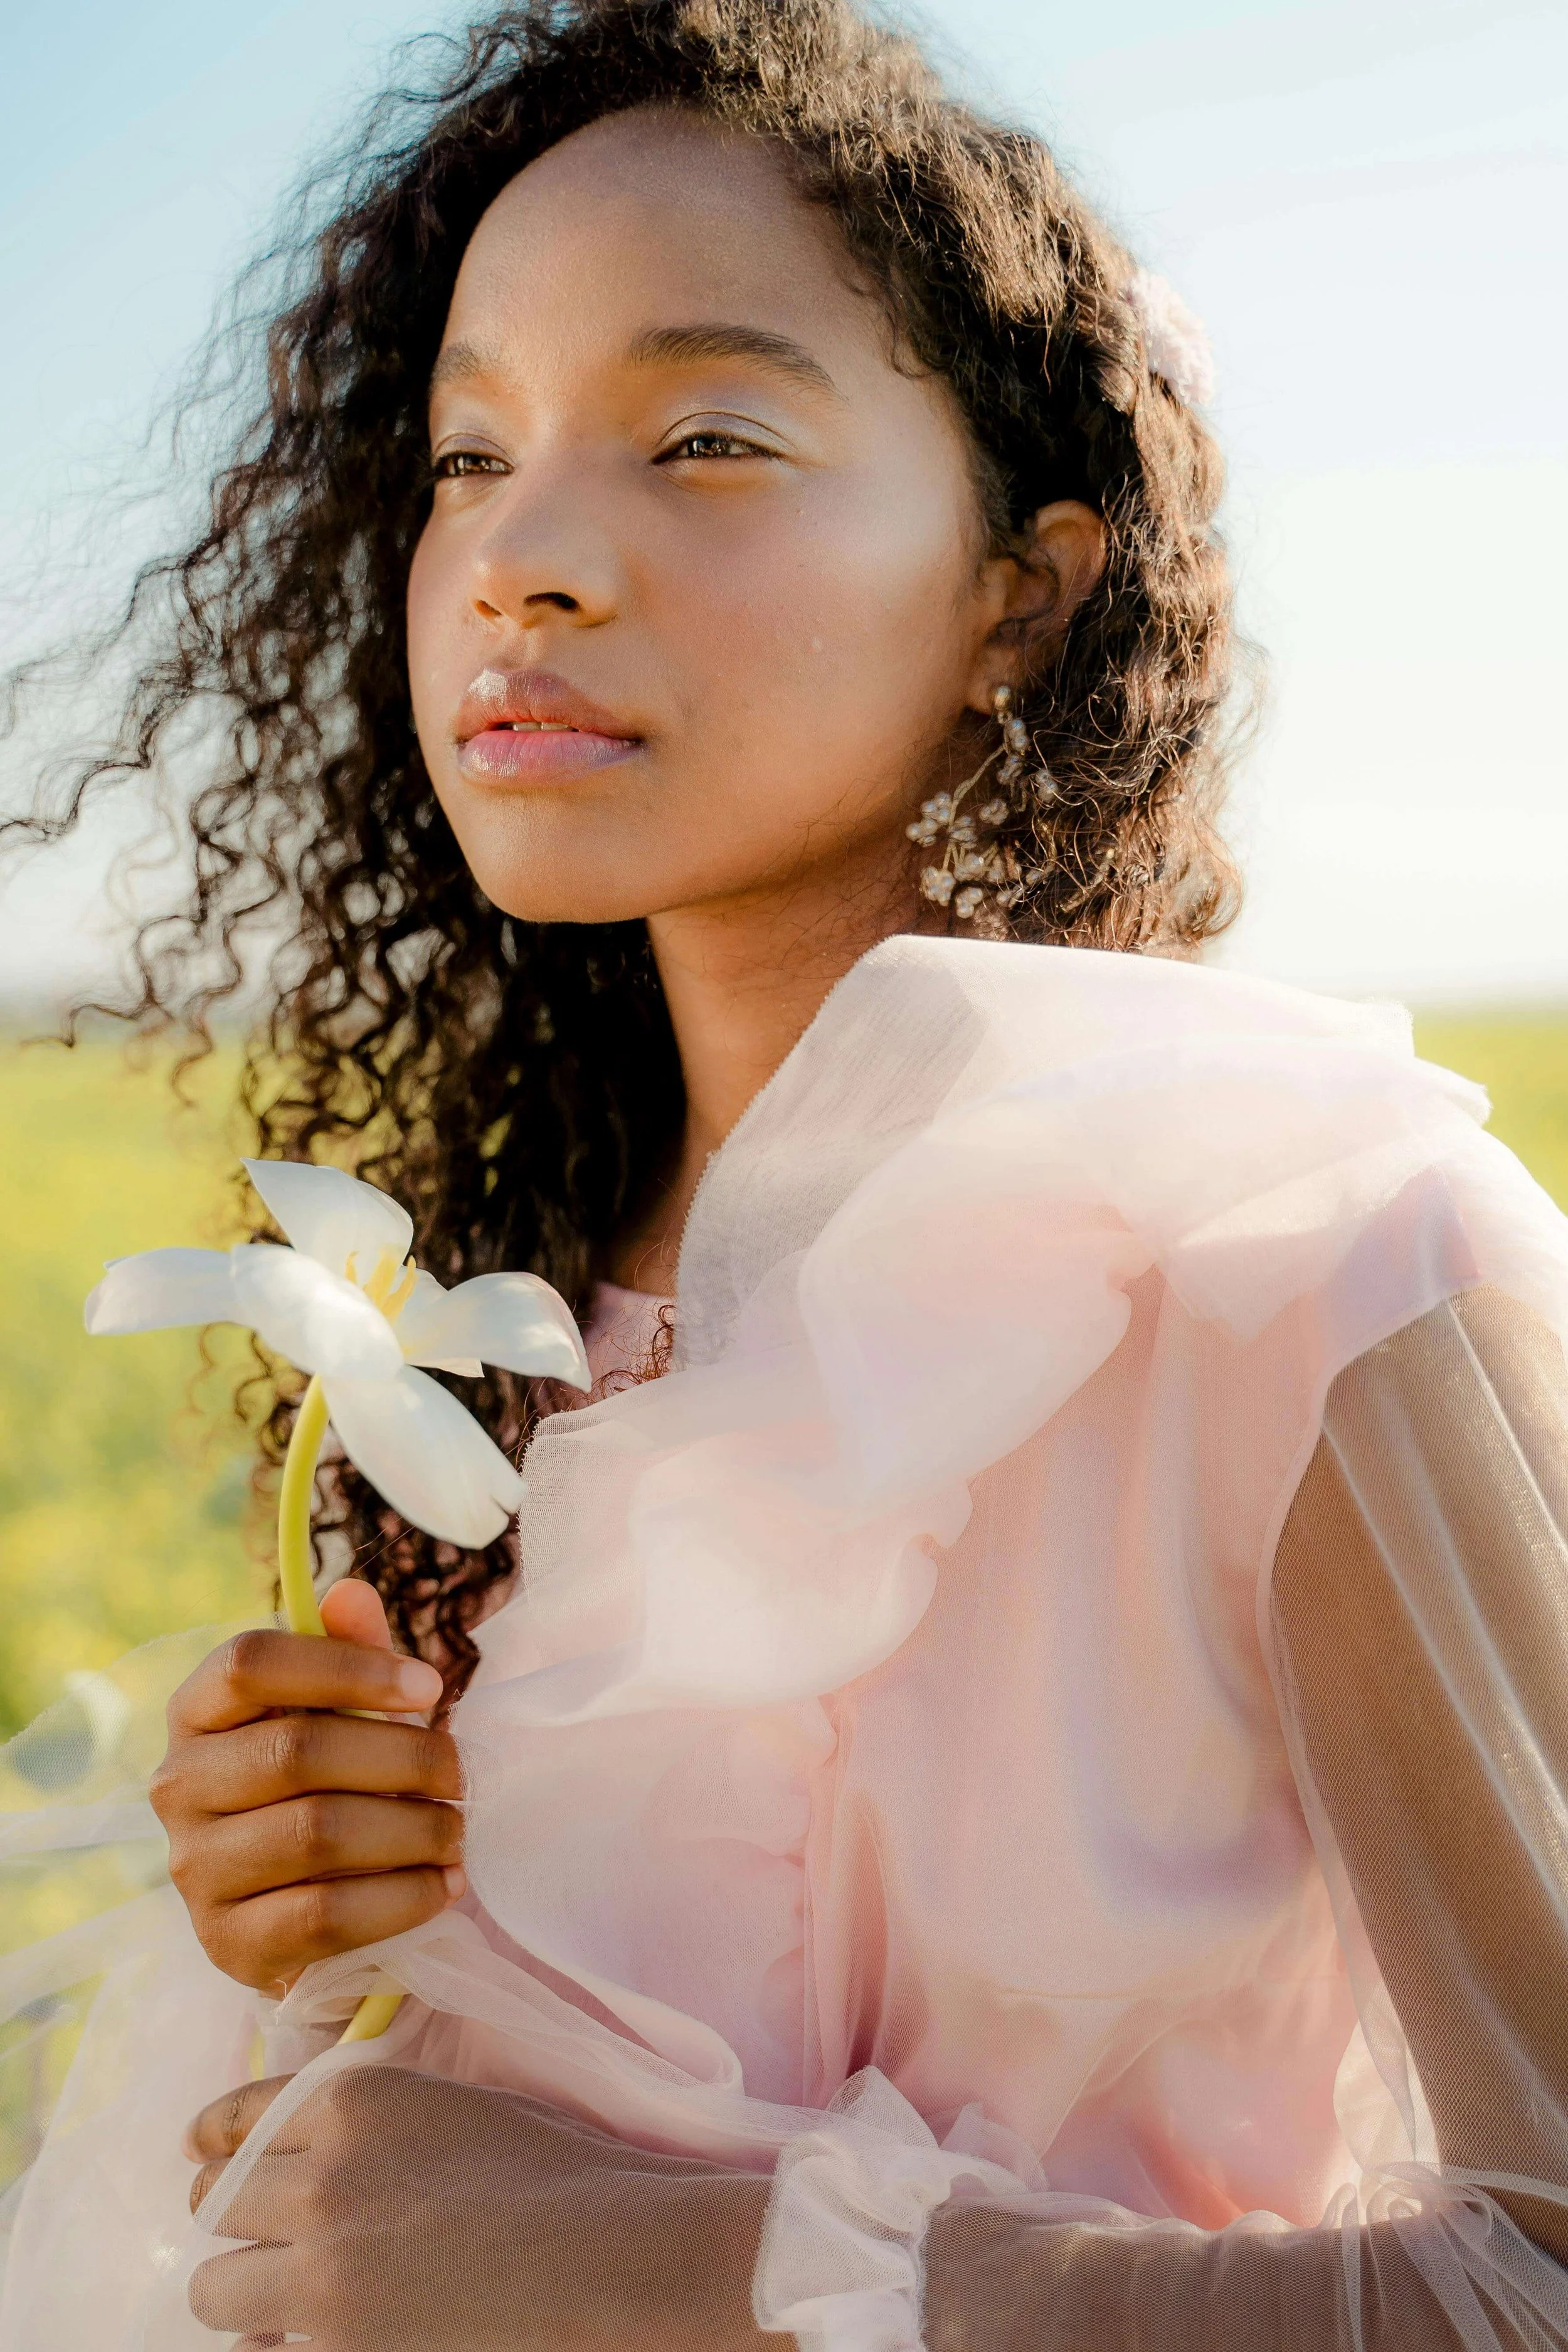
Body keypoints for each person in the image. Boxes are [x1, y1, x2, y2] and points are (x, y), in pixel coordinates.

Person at [4, 1, 1568, 2344]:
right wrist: (297, 1909)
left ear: (1019, 590)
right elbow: (410, 2165)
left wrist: (667, 2267)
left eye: (708, 435)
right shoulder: (481, 1316)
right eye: (462, 455)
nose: (522, 557)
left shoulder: (1316, 1257)